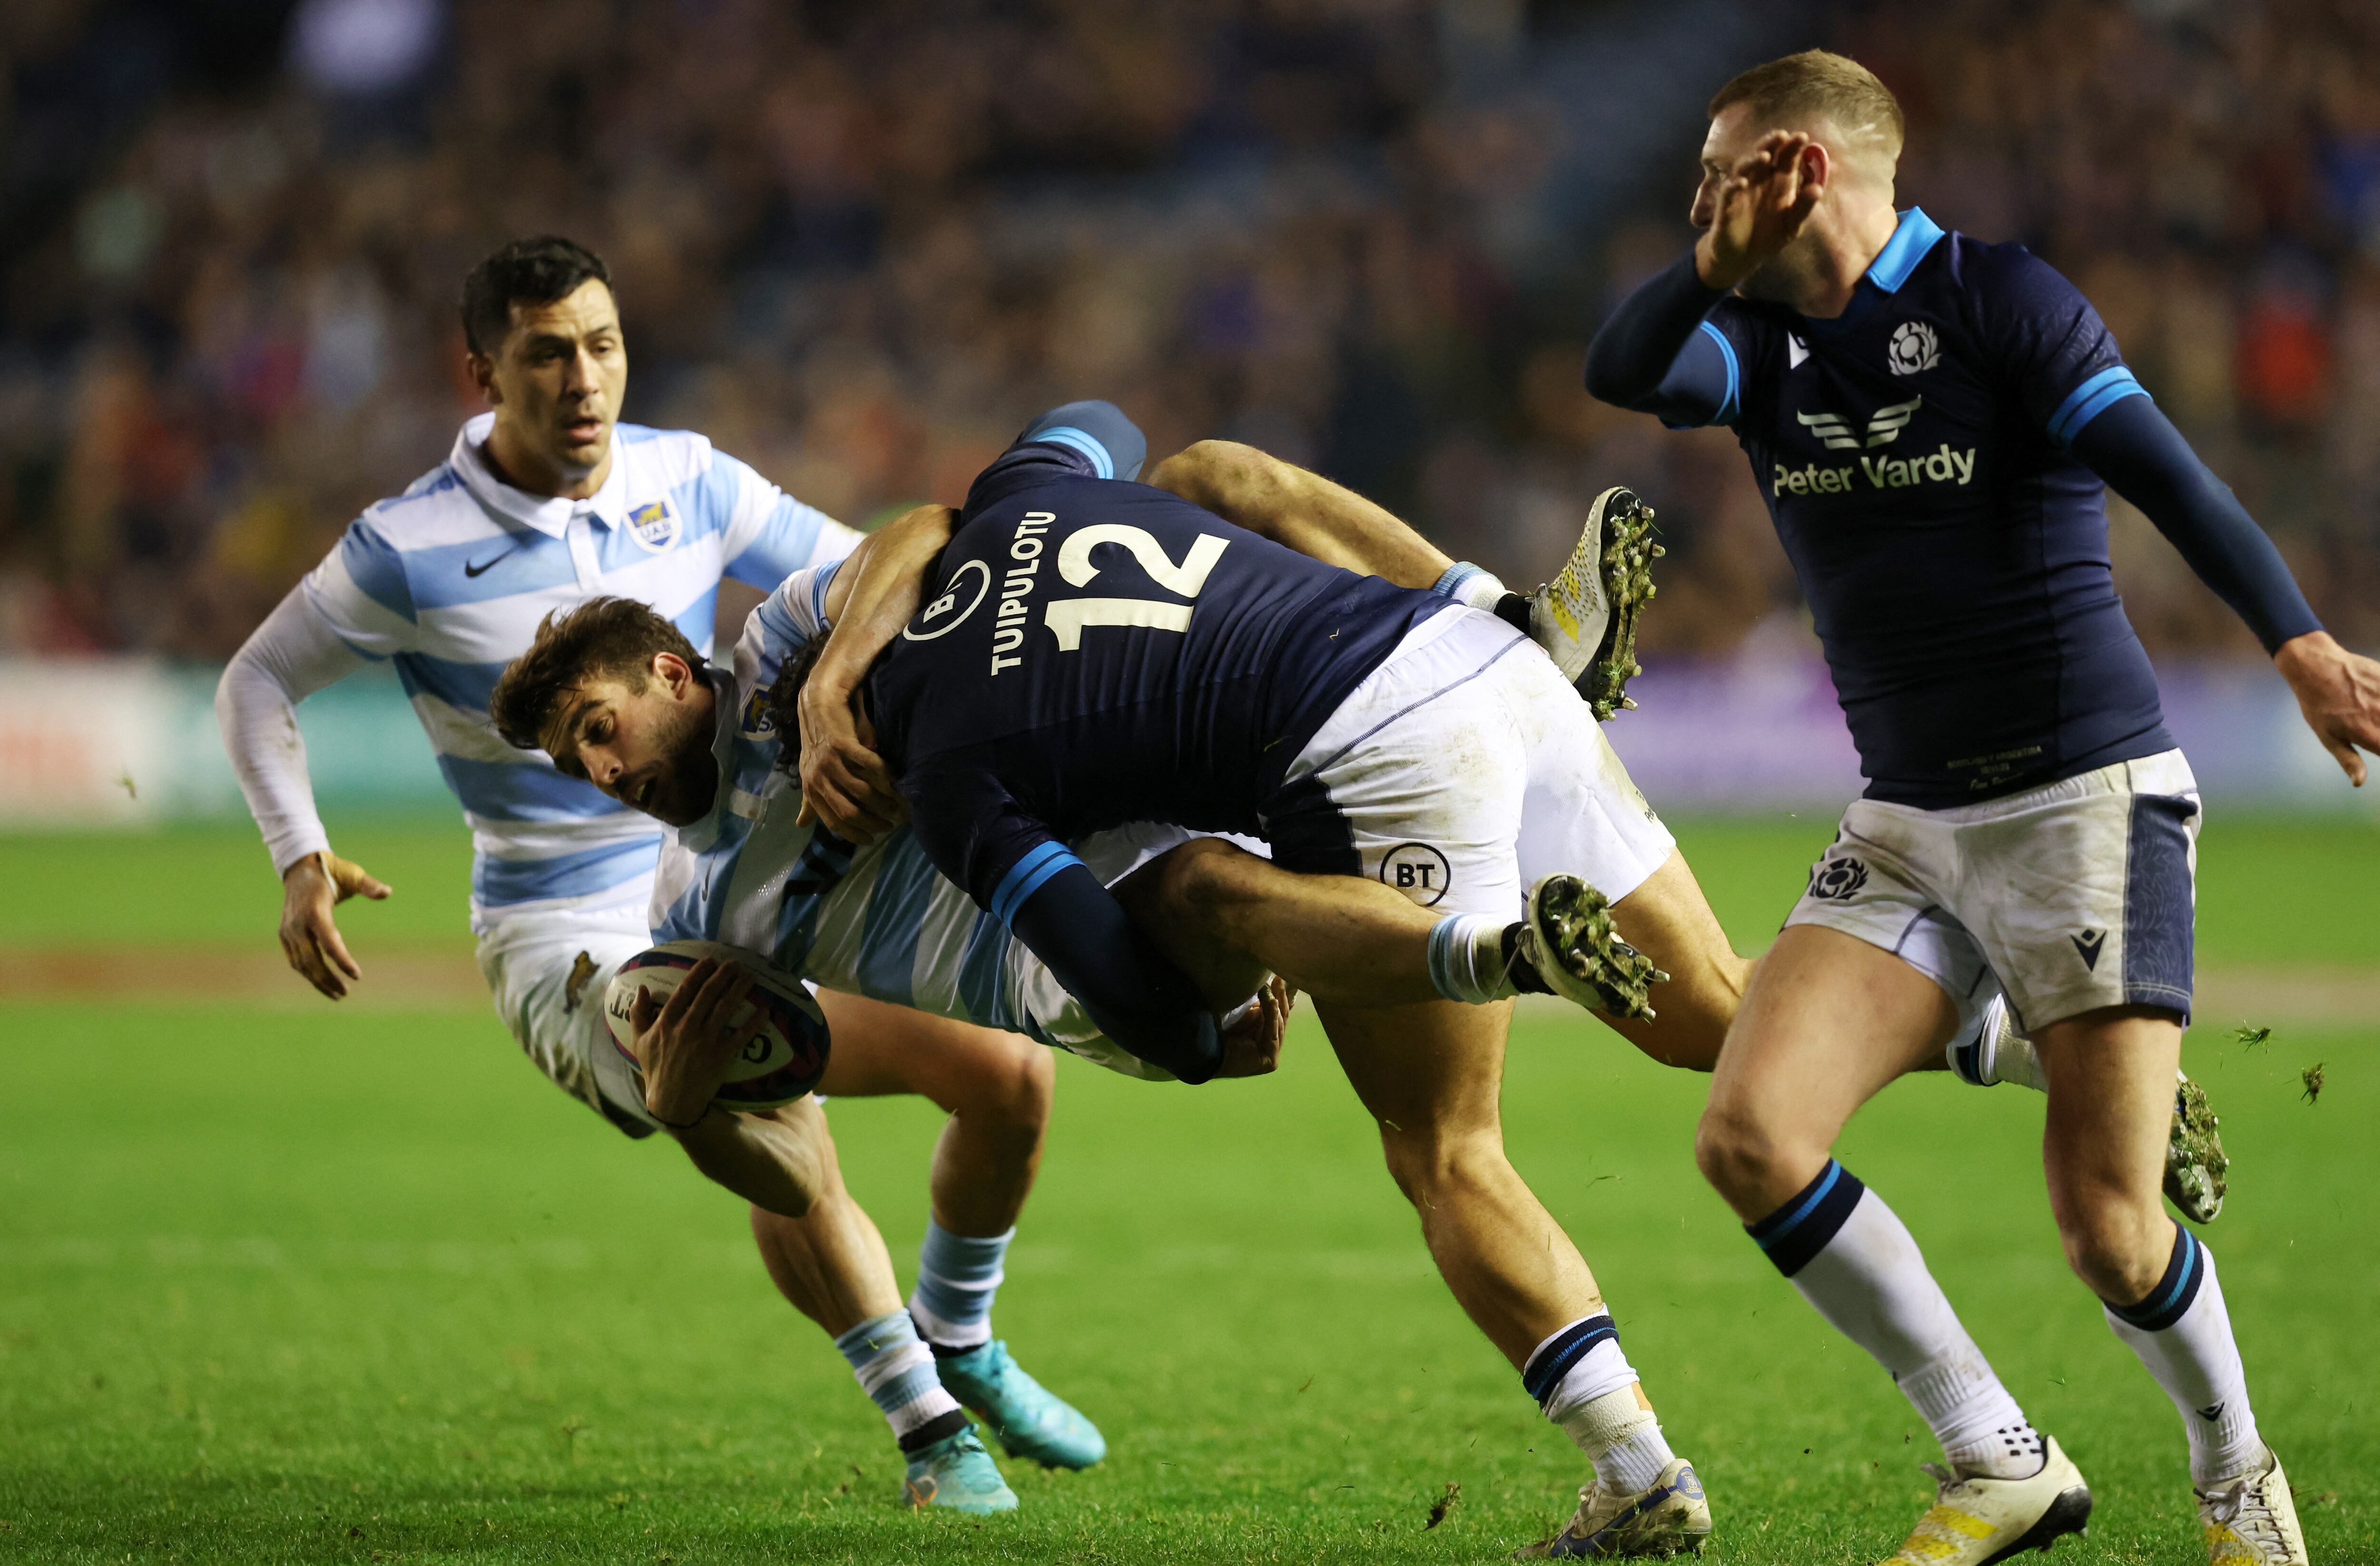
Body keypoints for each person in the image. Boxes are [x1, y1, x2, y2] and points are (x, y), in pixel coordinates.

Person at [1582, 50, 2380, 1566]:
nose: (1700, 197)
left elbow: (2173, 478)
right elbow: (1618, 371)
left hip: (2087, 800)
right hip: (1907, 819)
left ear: (1802, 167)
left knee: (2110, 1229)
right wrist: (1707, 259)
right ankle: (1997, 1454)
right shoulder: (1748, 336)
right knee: (1751, 1135)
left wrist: (2298, 644)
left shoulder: (1998, 299)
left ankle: (2235, 1471)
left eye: (1721, 169)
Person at [214, 236, 1101, 1516]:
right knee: (754, 1094)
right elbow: (256, 679)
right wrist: (299, 853)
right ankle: (932, 1435)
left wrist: (853, 699)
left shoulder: (688, 476)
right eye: (546, 353)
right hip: (561, 926)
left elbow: (870, 570)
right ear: (481, 371)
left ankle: (960, 1331)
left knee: (1012, 1073)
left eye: (604, 343)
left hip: (727, 868)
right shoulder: (405, 546)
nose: (585, 378)